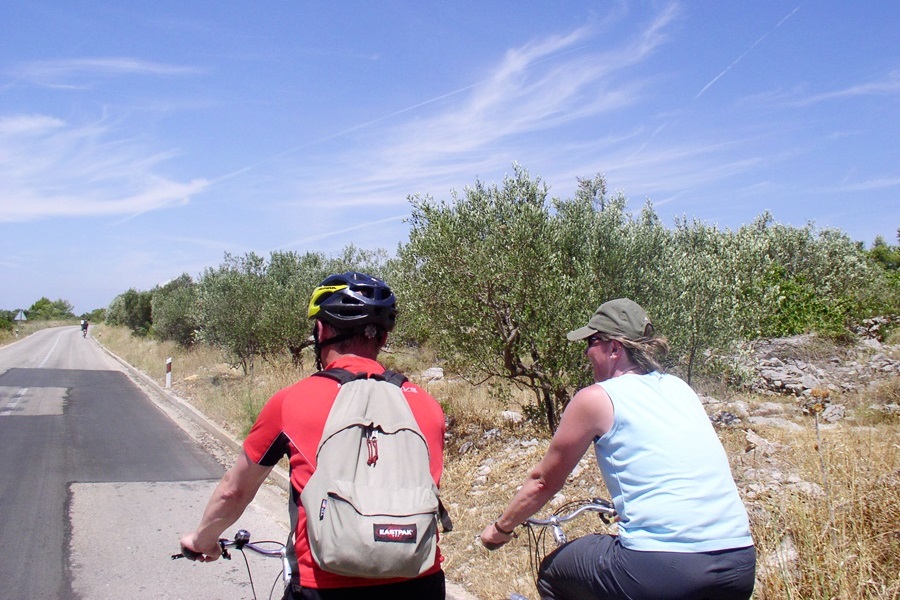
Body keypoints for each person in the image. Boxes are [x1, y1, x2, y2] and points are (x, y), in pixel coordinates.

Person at [180, 272, 447, 599]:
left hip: (324, 585)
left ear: (320, 331)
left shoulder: (292, 400)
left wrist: (202, 539)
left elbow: (234, 492)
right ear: (382, 339)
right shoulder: (427, 406)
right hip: (421, 582)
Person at [480, 298, 755, 600]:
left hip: (664, 565)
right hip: (739, 564)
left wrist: (500, 530)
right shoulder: (679, 388)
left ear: (614, 349)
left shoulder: (597, 398)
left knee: (553, 573)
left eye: (592, 341)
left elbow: (544, 482)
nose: (586, 351)